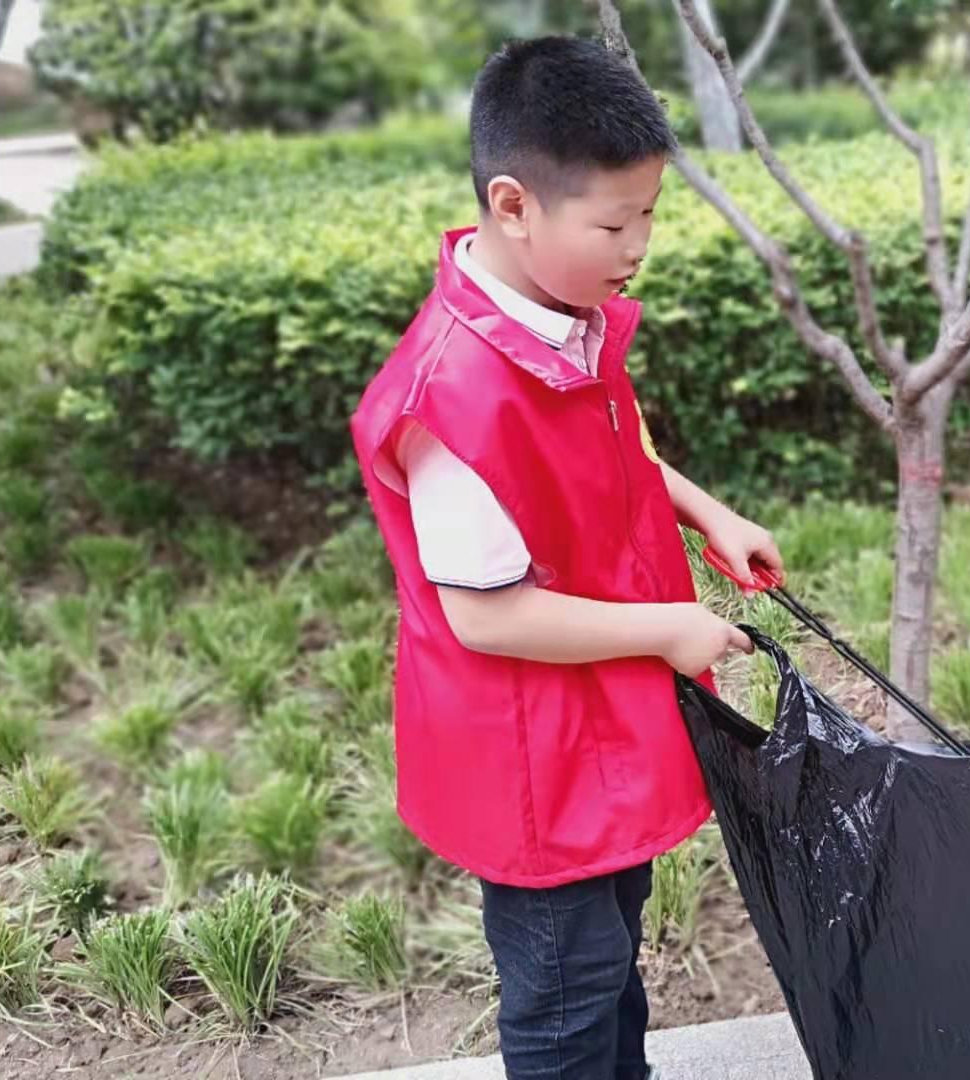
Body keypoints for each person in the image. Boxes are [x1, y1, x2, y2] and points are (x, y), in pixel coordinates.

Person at [347, 36, 782, 1080]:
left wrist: (701, 510)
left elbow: (611, 440)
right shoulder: (453, 398)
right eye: (614, 223)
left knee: (609, 957)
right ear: (512, 205)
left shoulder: (556, 315)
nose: (638, 247)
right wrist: (673, 628)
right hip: (531, 762)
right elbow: (488, 615)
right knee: (561, 997)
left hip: (593, 724)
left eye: (650, 217)